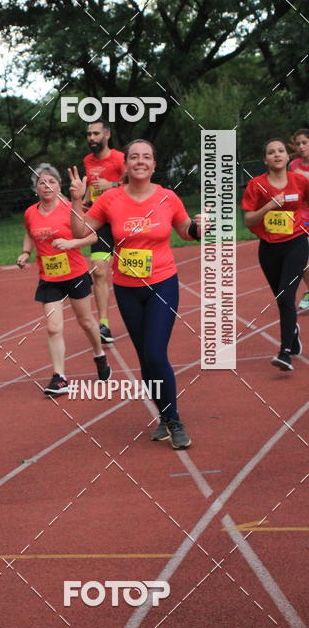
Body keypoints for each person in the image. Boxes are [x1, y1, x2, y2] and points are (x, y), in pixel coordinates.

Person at [68, 140, 207, 450]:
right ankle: (163, 415)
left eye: (147, 157)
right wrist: (76, 200)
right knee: (145, 358)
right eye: (134, 157)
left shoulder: (167, 198)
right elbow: (80, 232)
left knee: (156, 353)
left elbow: (186, 231)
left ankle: (174, 421)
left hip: (162, 283)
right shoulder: (110, 199)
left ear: (154, 165)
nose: (140, 161)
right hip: (128, 289)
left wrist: (200, 226)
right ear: (126, 165)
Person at [17, 163, 111, 396]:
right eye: (41, 182)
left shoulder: (71, 208)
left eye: (51, 182)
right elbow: (29, 233)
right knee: (53, 327)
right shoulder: (30, 213)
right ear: (35, 188)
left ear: (60, 185)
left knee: (86, 322)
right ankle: (60, 377)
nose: (47, 186)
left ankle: (99, 355)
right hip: (49, 277)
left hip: (75, 274)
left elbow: (92, 236)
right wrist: (25, 253)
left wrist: (72, 243)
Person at [241, 137, 309, 371]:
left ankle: (285, 352)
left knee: (285, 296)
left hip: (296, 244)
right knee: (283, 301)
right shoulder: (256, 185)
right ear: (265, 159)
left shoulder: (299, 181)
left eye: (281, 150)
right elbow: (248, 219)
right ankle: (294, 333)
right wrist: (269, 206)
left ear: (288, 156)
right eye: (271, 152)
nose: (277, 154)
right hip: (269, 249)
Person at [82, 121, 125, 344]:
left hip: (124, 220)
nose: (91, 137)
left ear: (106, 135)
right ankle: (104, 324)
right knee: (99, 271)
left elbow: (136, 182)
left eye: (96, 133)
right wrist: (83, 202)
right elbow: (91, 191)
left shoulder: (119, 158)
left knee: (132, 272)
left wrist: (113, 185)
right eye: (89, 134)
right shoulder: (87, 161)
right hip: (101, 223)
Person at [289, 128, 309, 311]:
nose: (302, 146)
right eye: (298, 143)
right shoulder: (293, 165)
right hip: (301, 218)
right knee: (302, 258)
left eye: (305, 142)